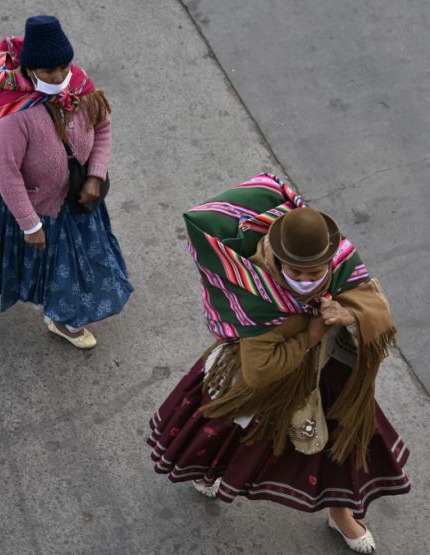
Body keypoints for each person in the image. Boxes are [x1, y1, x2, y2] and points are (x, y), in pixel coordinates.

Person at [146, 175, 408, 554]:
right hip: (270, 381)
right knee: (233, 430)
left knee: (341, 443)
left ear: (328, 260)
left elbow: (374, 308)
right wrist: (311, 335)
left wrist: (349, 314)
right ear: (279, 260)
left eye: (315, 274)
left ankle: (340, 514)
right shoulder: (257, 296)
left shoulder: (342, 261)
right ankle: (207, 470)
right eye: (296, 273)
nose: (306, 281)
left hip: (329, 372)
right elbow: (259, 371)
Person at [0, 15, 132, 349]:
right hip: (27, 206)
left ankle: (63, 315)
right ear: (29, 71)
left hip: (74, 200)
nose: (59, 78)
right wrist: (29, 224)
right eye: (48, 72)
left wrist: (95, 175)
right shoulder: (12, 117)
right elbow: (6, 174)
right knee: (32, 261)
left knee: (75, 265)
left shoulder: (80, 85)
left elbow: (103, 127)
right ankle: (62, 317)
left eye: (63, 68)